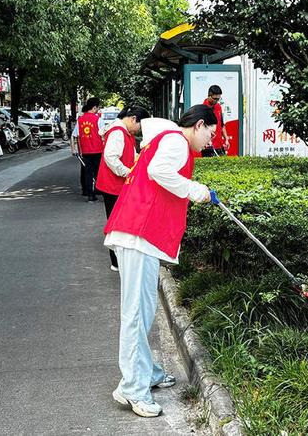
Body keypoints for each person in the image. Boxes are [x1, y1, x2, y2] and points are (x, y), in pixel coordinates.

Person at [104, 104, 217, 418]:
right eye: (210, 131)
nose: (211, 139)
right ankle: (132, 389)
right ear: (198, 125)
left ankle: (148, 373)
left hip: (140, 235)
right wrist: (196, 190)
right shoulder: (177, 143)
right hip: (138, 233)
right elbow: (158, 172)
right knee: (136, 314)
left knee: (144, 311)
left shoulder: (166, 139)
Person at [96, 105, 150, 272]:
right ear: (133, 119)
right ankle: (117, 262)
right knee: (115, 223)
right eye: (139, 125)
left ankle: (120, 260)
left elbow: (131, 154)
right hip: (113, 185)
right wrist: (128, 173)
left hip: (118, 185)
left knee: (119, 222)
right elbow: (111, 157)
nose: (139, 130)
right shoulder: (118, 132)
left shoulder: (126, 132)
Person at [72, 98, 104, 201]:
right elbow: (103, 135)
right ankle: (97, 190)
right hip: (97, 150)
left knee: (87, 172)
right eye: (97, 108)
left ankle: (89, 193)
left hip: (85, 151)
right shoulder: (98, 119)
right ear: (94, 107)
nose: (98, 110)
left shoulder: (80, 120)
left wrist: (74, 149)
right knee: (98, 172)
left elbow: (74, 135)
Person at [201, 85, 230, 157]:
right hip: (208, 147)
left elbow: (222, 124)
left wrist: (226, 139)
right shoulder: (202, 109)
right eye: (215, 99)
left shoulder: (218, 106)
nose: (216, 101)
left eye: (218, 99)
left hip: (219, 145)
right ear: (209, 96)